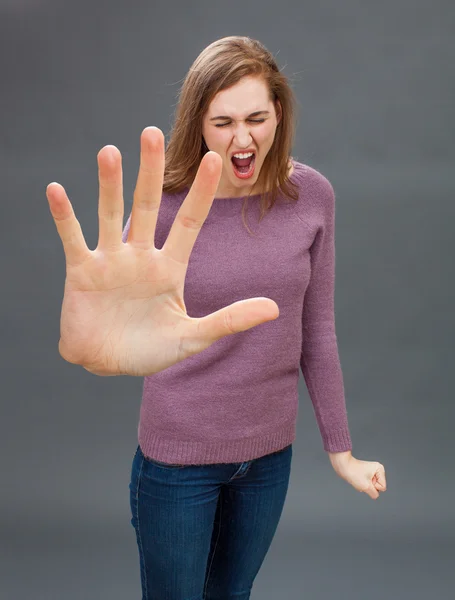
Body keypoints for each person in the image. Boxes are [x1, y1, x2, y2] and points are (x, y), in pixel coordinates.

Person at [46, 35, 386, 600]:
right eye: (223, 121)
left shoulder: (313, 196)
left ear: (279, 110)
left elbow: (317, 332)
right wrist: (92, 339)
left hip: (269, 458)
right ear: (198, 124)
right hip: (178, 461)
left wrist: (341, 450)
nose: (243, 137)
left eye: (256, 117)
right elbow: (120, 317)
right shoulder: (166, 206)